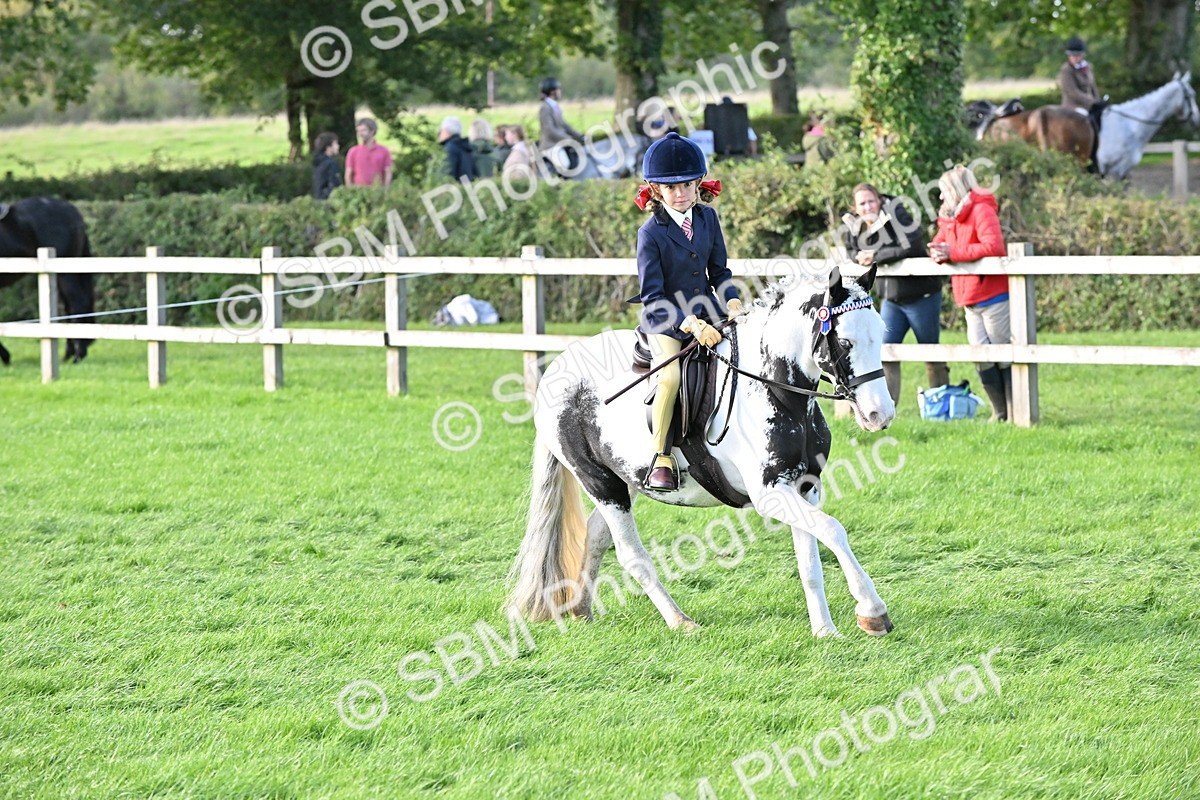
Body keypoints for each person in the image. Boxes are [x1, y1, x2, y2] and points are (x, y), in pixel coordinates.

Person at [634, 132, 743, 491]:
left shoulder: (708, 219)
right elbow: (652, 295)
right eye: (671, 188)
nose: (680, 194)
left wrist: (732, 301)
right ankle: (661, 456)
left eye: (686, 185)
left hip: (709, 311)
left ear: (698, 183)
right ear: (656, 191)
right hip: (667, 318)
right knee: (669, 378)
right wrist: (690, 324)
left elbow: (720, 273)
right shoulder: (651, 233)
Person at [840, 182, 948, 404]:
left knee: (931, 352)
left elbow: (911, 244)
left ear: (879, 199)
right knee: (886, 352)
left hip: (921, 295)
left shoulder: (896, 212)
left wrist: (876, 255)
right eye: (862, 203)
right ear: (855, 207)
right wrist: (859, 257)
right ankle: (886, 406)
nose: (868, 206)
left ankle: (941, 403)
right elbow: (851, 251)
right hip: (891, 299)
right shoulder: (854, 224)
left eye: (871, 200)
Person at [929, 164, 1012, 422]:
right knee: (980, 356)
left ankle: (1015, 411)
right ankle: (1000, 412)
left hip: (993, 295)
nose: (941, 197)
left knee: (1003, 355)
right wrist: (937, 251)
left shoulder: (982, 210)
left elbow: (994, 246)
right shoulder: (949, 217)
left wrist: (953, 253)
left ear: (956, 189)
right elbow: (939, 242)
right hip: (969, 298)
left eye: (944, 191)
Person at [537, 77, 585, 175]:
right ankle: (560, 188)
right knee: (565, 164)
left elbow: (564, 125)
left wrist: (580, 136)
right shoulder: (544, 108)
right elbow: (549, 130)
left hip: (559, 144)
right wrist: (568, 139)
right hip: (550, 146)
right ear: (552, 92)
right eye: (558, 89)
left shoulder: (554, 106)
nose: (560, 91)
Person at [344, 118, 393, 188]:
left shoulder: (384, 151)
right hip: (358, 191)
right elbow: (348, 174)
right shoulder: (353, 151)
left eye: (363, 130)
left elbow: (387, 172)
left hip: (377, 190)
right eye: (358, 131)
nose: (360, 134)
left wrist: (385, 189)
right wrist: (350, 190)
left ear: (372, 131)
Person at [1059, 36, 1100, 113]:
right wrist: (1092, 101)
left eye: (1077, 55)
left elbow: (1093, 87)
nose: (1074, 58)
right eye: (1071, 55)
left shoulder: (1088, 67)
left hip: (1089, 104)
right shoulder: (1066, 69)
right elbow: (1073, 92)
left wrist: (1098, 101)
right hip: (1073, 106)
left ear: (1082, 55)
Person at [438, 116, 476, 182]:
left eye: (441, 130)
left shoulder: (450, 148)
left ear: (447, 131)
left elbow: (447, 173)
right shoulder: (464, 145)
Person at [311, 132, 342, 201]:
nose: (338, 146)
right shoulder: (331, 163)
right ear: (328, 147)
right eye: (335, 144)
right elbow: (334, 184)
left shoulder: (318, 162)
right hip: (328, 200)